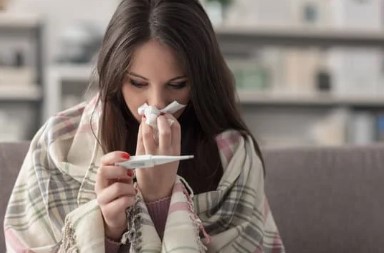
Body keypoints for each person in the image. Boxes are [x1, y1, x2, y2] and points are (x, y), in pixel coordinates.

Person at [4, 0, 285, 252]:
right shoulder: (57, 144)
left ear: (200, 80)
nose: (156, 104)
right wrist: (107, 229)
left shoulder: (234, 156)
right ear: (114, 75)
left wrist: (160, 202)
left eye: (177, 85)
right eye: (137, 83)